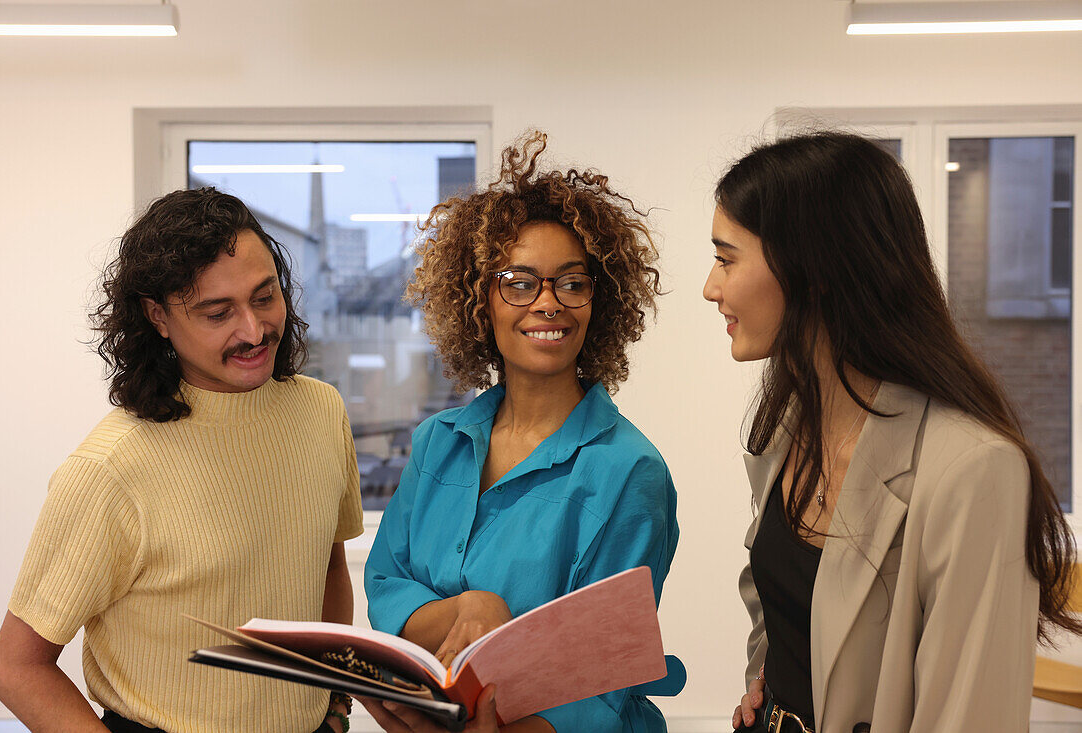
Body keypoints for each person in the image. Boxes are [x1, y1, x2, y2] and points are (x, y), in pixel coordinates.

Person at [704, 131, 1081, 733]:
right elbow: (795, 611)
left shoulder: (975, 467)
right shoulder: (789, 429)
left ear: (814, 270)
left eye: (726, 258)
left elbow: (969, 717)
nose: (711, 287)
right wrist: (770, 690)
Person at [0, 188, 365, 733]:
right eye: (218, 313)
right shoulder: (110, 469)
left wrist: (333, 702)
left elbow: (326, 566)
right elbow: (16, 667)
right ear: (157, 316)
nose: (254, 332)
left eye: (265, 297)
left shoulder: (320, 411)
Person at [360, 131, 680, 733]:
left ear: (598, 299)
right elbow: (386, 586)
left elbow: (604, 677)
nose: (548, 302)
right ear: (482, 300)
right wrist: (473, 608)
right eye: (519, 281)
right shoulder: (437, 442)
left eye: (572, 281)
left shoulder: (628, 471)